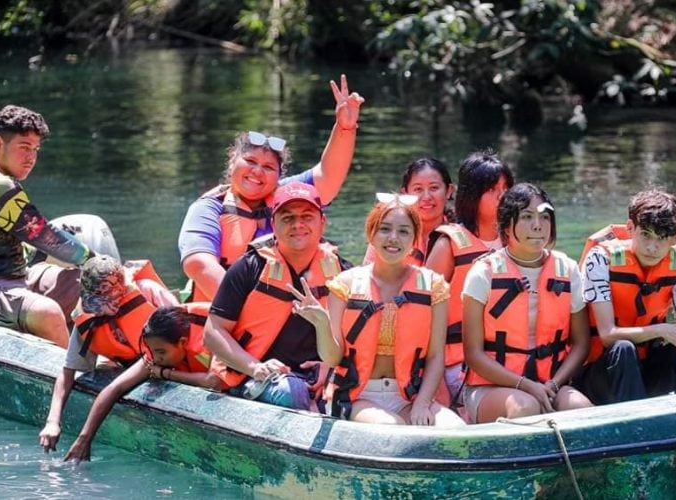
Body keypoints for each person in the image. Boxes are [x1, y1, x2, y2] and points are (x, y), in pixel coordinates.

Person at [179, 75, 364, 302]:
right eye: (250, 162)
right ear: (231, 161)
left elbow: (328, 176)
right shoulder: (208, 209)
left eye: (268, 167)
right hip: (229, 317)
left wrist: (345, 127)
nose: (257, 172)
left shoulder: (287, 194)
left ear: (278, 176)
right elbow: (198, 264)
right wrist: (244, 312)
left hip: (290, 310)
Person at [293, 194, 464, 427]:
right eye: (385, 229)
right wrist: (321, 324)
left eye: (404, 231)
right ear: (371, 234)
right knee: (392, 428)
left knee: (455, 429)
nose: (393, 238)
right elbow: (333, 358)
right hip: (356, 394)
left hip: (409, 396)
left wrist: (423, 403)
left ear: (414, 239)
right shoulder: (344, 285)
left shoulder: (434, 287)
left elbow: (435, 356)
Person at [203, 182, 350, 410]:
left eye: (307, 216)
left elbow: (354, 339)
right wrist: (254, 367)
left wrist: (330, 367)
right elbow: (213, 332)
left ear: (322, 222)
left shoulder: (344, 273)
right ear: (273, 223)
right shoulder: (249, 267)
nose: (297, 224)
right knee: (290, 393)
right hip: (258, 377)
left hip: (320, 375)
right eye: (288, 217)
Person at [461, 183, 592, 422]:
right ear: (507, 225)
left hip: (551, 383)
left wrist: (553, 384)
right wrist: (526, 386)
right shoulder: (483, 273)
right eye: (527, 217)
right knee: (526, 409)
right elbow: (473, 354)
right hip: (490, 387)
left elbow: (582, 343)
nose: (537, 225)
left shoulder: (568, 269)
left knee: (581, 410)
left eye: (544, 217)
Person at [574, 189, 676, 405]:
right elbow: (607, 335)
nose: (652, 247)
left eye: (662, 238)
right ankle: (637, 425)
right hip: (601, 373)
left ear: (675, 238)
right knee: (623, 348)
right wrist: (659, 330)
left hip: (645, 369)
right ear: (631, 228)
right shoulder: (600, 260)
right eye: (646, 234)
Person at [38, 255, 182, 452]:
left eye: (109, 300)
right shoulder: (90, 318)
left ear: (124, 287)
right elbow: (68, 372)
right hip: (141, 371)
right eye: (97, 302)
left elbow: (186, 332)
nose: (103, 308)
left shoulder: (148, 291)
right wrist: (53, 422)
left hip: (179, 368)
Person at [0, 105, 93, 347]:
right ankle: (70, 380)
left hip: (15, 275)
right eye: (24, 147)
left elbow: (14, 242)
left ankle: (105, 359)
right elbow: (44, 236)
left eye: (35, 149)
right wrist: (96, 260)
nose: (31, 158)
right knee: (49, 313)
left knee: (88, 285)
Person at [63, 305, 221, 462]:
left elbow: (213, 381)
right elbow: (114, 388)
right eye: (152, 351)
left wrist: (166, 373)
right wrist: (84, 438)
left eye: (161, 352)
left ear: (182, 342)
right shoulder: (157, 351)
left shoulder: (213, 335)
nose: (157, 359)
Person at [424, 150, 514, 408]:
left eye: (506, 187)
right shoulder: (449, 244)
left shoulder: (519, 242)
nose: (503, 196)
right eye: (492, 190)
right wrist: (436, 379)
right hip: (457, 366)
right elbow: (422, 315)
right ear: (472, 195)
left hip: (512, 360)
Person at [362, 157, 454, 266]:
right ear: (405, 193)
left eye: (434, 188)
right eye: (418, 189)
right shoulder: (387, 233)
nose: (426, 197)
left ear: (449, 191)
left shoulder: (461, 234)